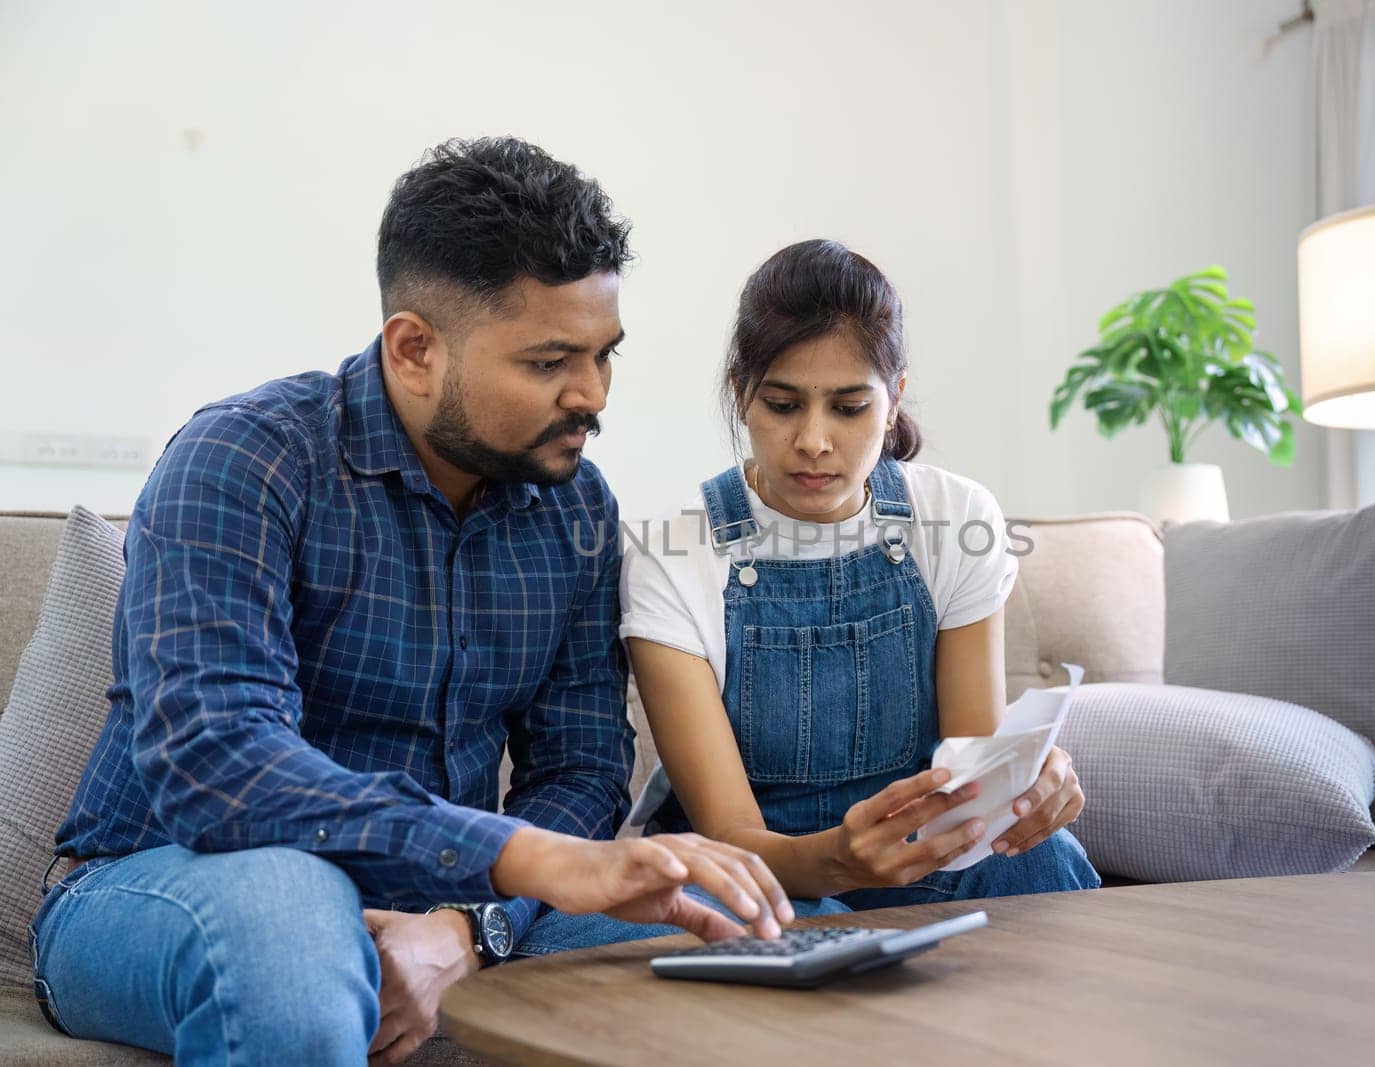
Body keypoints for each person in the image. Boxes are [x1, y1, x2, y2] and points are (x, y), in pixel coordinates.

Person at [29, 137, 793, 1067]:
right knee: (292, 919)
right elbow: (217, 761)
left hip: (454, 905)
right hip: (171, 883)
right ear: (415, 347)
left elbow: (584, 771)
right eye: (551, 361)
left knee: (767, 933)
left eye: (603, 355)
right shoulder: (245, 459)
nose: (592, 395)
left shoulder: (576, 509)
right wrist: (514, 856)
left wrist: (470, 927)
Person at [621, 239, 1101, 912]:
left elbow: (970, 775)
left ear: (894, 396)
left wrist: (1024, 792)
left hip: (914, 857)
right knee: (708, 907)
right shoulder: (673, 552)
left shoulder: (955, 517)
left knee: (1044, 860)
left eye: (849, 407)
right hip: (758, 872)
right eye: (783, 405)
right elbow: (727, 832)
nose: (814, 440)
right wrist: (838, 862)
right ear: (741, 394)